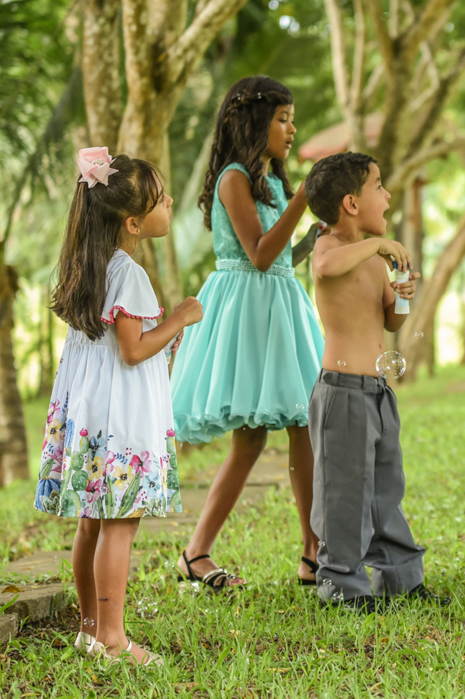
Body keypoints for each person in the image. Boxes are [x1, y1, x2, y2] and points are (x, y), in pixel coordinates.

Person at [36, 149, 203, 665]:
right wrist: (179, 318)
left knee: (92, 519)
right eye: (160, 198)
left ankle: (90, 630)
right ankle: (112, 638)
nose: (171, 201)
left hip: (91, 410)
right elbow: (133, 350)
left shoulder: (86, 263)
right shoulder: (128, 271)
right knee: (120, 522)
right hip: (121, 417)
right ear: (133, 222)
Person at [170, 76, 324, 590]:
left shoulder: (273, 183)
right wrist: (304, 198)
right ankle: (196, 552)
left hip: (280, 308)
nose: (291, 129)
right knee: (250, 441)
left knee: (302, 425)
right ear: (254, 122)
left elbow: (281, 258)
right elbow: (257, 255)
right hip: (245, 312)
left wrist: (310, 239)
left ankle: (311, 550)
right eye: (283, 119)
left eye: (291, 118)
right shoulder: (233, 178)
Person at [303, 152, 446, 611]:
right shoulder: (329, 248)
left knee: (386, 488)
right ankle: (341, 583)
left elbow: (390, 322)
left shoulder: (371, 259)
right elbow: (325, 269)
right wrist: (379, 246)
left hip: (376, 393)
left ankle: (401, 577)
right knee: (344, 494)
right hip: (341, 393)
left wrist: (402, 292)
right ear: (350, 202)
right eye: (378, 186)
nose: (386, 195)